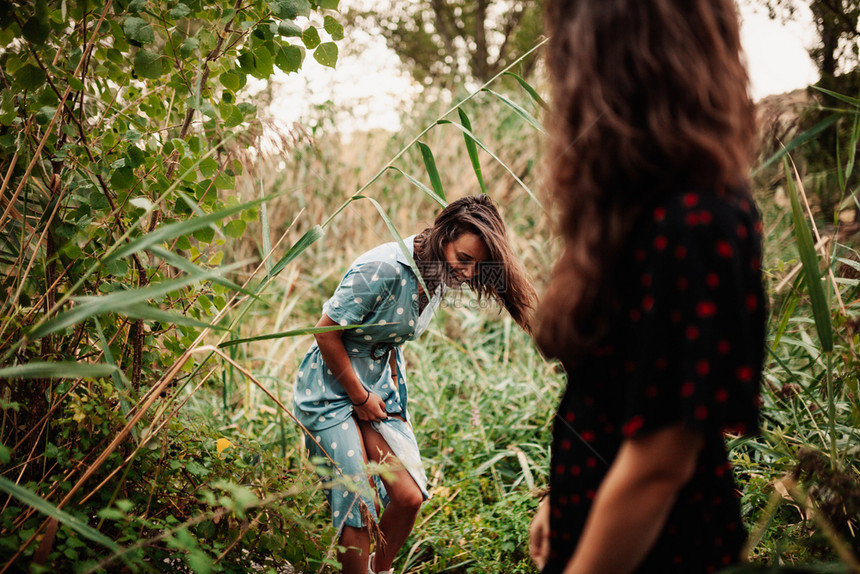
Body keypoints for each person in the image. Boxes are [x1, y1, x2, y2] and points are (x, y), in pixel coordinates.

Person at [528, 1, 767, 573]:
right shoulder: (630, 208)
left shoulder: (699, 218)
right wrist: (557, 501)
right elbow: (615, 397)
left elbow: (660, 465)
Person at [293, 194, 536, 574]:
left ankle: (378, 570)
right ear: (444, 236)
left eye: (478, 265)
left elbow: (388, 333)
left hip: (376, 391)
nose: (469, 274)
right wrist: (358, 397)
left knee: (407, 497)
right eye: (465, 260)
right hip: (329, 390)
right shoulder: (384, 266)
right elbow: (325, 333)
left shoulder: (437, 274)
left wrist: (387, 378)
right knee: (359, 503)